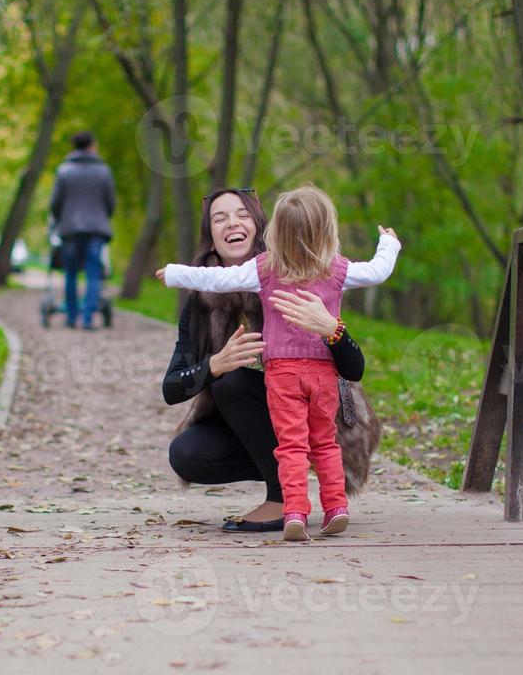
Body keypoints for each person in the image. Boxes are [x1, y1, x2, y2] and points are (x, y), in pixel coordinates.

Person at [160, 185, 401, 541]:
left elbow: (355, 368)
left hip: (321, 401)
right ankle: (298, 500)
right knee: (194, 445)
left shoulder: (294, 270)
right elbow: (171, 387)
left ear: (262, 227)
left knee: (305, 437)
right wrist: (215, 363)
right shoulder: (207, 303)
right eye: (219, 218)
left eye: (242, 214)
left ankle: (291, 502)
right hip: (264, 408)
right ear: (210, 235)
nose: (232, 223)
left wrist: (332, 330)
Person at [49, 131, 116, 329]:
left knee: (70, 272)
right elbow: (110, 202)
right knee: (93, 272)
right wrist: (103, 217)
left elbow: (55, 202)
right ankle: (87, 319)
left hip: (69, 228)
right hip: (96, 229)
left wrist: (60, 220)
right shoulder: (104, 171)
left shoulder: (64, 170)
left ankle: (71, 317)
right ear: (92, 145)